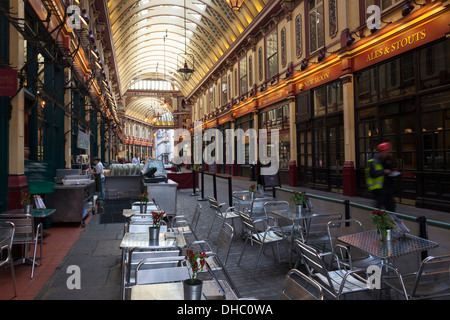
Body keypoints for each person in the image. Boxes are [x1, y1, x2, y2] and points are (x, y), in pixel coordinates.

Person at [365, 142, 399, 211]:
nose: (387, 154)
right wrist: (383, 171)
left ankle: (391, 219)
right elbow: (372, 174)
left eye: (388, 152)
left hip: (387, 188)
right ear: (381, 152)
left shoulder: (386, 160)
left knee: (391, 207)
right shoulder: (373, 161)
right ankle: (380, 220)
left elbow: (389, 168)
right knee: (379, 208)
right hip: (378, 190)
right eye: (386, 152)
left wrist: (393, 171)